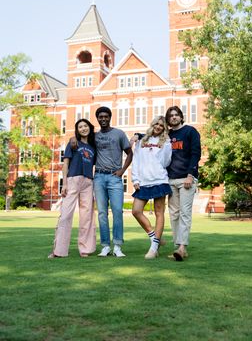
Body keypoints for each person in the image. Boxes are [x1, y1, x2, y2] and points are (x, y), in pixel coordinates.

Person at [48, 119, 96, 258]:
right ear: (77, 130)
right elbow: (66, 163)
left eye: (85, 126)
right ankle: (59, 251)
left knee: (87, 216)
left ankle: (85, 249)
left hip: (88, 181)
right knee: (65, 215)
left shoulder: (93, 147)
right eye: (80, 127)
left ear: (89, 128)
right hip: (73, 179)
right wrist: (65, 183)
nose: (83, 128)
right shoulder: (73, 143)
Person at [93, 106, 133, 258]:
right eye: (100, 117)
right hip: (99, 177)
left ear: (110, 117)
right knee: (102, 213)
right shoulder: (94, 136)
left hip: (115, 177)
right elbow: (81, 138)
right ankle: (105, 246)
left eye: (106, 116)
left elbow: (130, 153)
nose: (103, 119)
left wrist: (122, 171)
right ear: (97, 118)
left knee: (117, 211)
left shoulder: (119, 134)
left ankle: (117, 246)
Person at [131, 116, 172, 259]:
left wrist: (164, 146)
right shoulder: (142, 141)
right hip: (143, 181)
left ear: (164, 128)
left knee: (159, 213)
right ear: (153, 124)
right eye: (157, 124)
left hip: (160, 179)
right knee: (136, 211)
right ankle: (155, 237)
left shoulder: (166, 142)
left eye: (162, 125)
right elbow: (135, 160)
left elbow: (166, 162)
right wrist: (135, 179)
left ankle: (154, 248)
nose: (159, 127)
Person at [165, 106, 201, 261]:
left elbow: (196, 153)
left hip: (186, 179)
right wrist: (137, 136)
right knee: (173, 214)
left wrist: (190, 175)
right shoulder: (167, 135)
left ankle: (182, 247)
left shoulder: (190, 131)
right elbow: (151, 135)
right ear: (168, 119)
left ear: (180, 117)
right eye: (171, 116)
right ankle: (178, 245)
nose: (173, 117)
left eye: (176, 115)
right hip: (170, 179)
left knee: (185, 213)